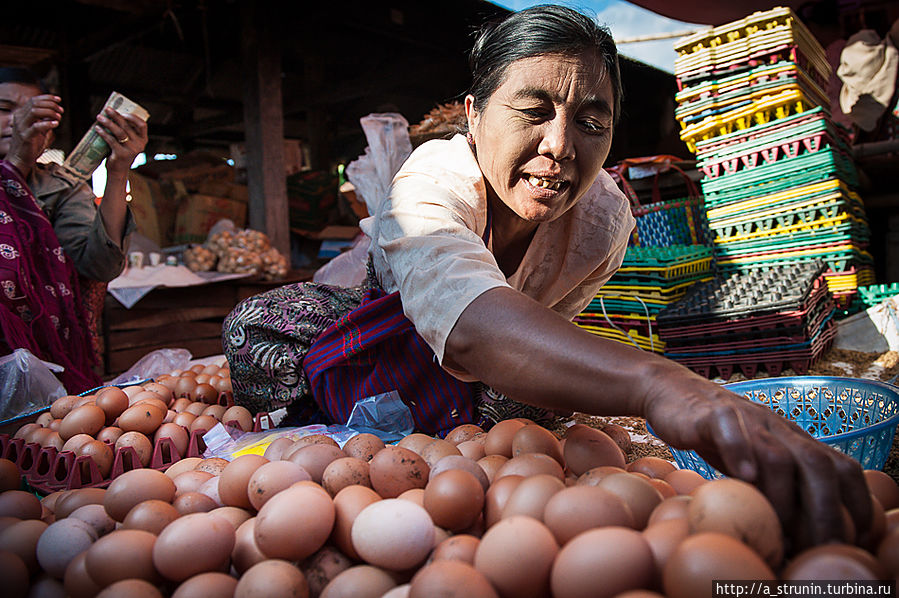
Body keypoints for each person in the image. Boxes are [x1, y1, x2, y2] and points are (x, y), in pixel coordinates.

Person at [224, 6, 871, 549]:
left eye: (591, 122)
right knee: (255, 328)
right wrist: (664, 385)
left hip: (504, 364)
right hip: (392, 340)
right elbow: (471, 323)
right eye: (532, 111)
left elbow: (542, 331)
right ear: (475, 116)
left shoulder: (602, 221)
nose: (560, 146)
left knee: (532, 416)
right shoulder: (434, 174)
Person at [0, 67, 147, 392]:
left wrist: (119, 170)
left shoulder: (60, 185)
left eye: (34, 113)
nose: (17, 121)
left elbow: (100, 264)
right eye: (5, 109)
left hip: (51, 367)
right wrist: (16, 163)